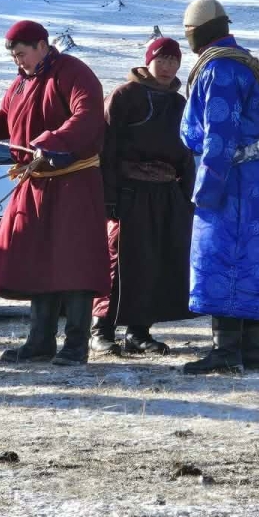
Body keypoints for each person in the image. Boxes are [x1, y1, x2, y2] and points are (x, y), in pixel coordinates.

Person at [0, 20, 109, 366]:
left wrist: (53, 141)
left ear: (42, 46)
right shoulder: (20, 83)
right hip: (35, 184)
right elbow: (5, 118)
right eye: (14, 56)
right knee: (39, 261)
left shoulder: (74, 73)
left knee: (74, 262)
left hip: (73, 183)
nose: (17, 61)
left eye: (21, 54)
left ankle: (76, 344)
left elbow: (88, 114)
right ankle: (40, 342)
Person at [178, 0, 259, 375]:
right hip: (254, 177)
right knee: (252, 263)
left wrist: (206, 190)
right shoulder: (244, 63)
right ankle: (251, 350)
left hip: (229, 181)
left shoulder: (218, 70)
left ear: (199, 31)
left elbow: (218, 136)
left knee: (222, 261)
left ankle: (225, 352)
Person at [90, 37, 196, 356]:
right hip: (129, 191)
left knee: (155, 262)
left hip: (166, 193)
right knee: (119, 260)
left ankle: (139, 331)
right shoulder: (125, 96)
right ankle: (101, 330)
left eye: (173, 61)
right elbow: (105, 148)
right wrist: (109, 197)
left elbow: (188, 154)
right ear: (148, 61)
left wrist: (185, 196)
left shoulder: (180, 104)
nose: (167, 67)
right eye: (161, 59)